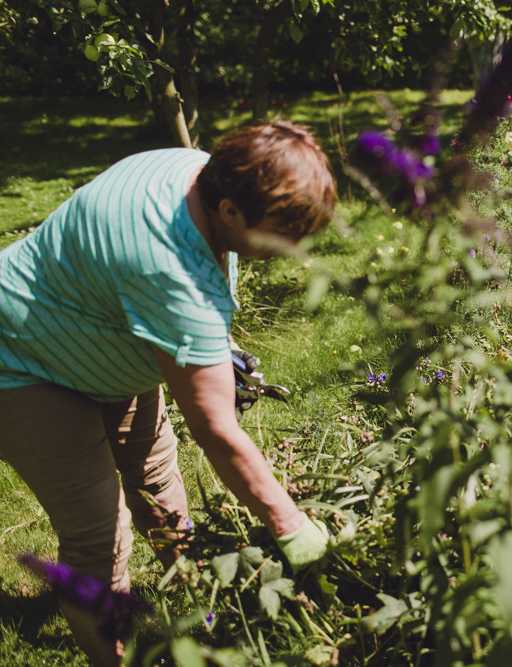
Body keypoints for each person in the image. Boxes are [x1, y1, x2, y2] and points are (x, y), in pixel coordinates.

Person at [0, 120, 335, 665]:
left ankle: (195, 598)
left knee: (154, 472)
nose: (294, 249)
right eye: (282, 233)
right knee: (97, 538)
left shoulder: (191, 168)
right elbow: (216, 431)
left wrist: (210, 347)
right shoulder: (171, 275)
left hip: (95, 323)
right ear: (229, 210)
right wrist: (292, 528)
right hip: (21, 362)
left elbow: (161, 296)